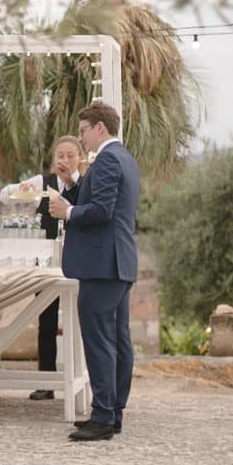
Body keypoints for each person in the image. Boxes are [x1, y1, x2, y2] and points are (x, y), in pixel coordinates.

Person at [48, 102, 140, 442]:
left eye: (84, 130)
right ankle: (112, 411)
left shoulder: (107, 160)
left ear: (100, 128)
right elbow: (106, 203)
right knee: (117, 339)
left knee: (100, 339)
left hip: (103, 265)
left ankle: (103, 415)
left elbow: (102, 210)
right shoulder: (124, 159)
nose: (82, 138)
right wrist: (74, 183)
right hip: (118, 262)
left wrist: (67, 211)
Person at [0, 135, 86, 400]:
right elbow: (6, 195)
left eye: (70, 155)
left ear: (79, 158)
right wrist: (21, 189)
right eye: (60, 155)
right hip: (47, 262)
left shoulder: (86, 184)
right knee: (46, 320)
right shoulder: (42, 183)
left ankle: (80, 379)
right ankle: (46, 382)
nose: (64, 160)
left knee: (79, 321)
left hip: (79, 260)